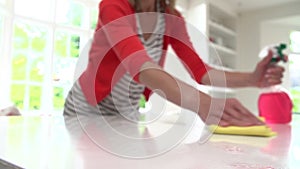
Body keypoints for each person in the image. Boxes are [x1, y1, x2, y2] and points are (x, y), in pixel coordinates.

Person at [63, 0, 285, 127]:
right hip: (86, 107)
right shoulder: (113, 5)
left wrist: (252, 79)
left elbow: (201, 72)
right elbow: (139, 65)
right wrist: (203, 103)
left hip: (126, 111)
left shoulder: (171, 17)